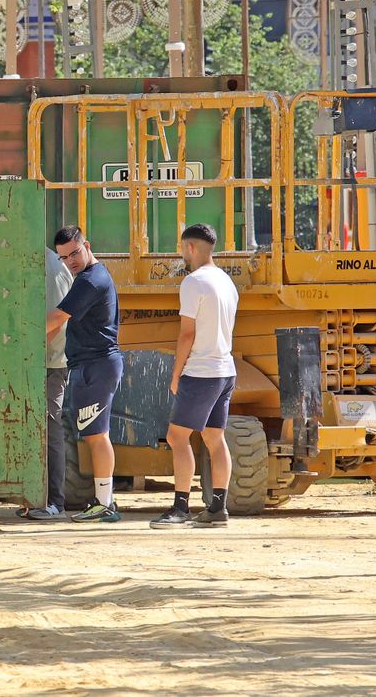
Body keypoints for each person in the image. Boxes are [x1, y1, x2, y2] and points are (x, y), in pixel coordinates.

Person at [152, 223, 239, 530]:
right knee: (215, 437)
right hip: (225, 369)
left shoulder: (193, 282)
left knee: (177, 436)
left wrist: (176, 374)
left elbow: (187, 333)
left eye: (182, 248)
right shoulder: (227, 282)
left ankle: (180, 506)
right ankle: (218, 506)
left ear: (190, 247)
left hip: (201, 371)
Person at [46, 225, 123, 523]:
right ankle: (103, 501)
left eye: (75, 253)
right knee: (93, 434)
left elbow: (57, 317)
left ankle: (105, 504)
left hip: (97, 364)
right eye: (64, 258)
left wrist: (22, 341)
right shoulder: (86, 277)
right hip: (89, 365)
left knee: (97, 436)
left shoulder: (91, 280)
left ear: (86, 245)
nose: (71, 261)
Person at [21, 246, 75, 520]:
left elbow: (57, 318)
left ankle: (55, 501)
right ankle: (36, 497)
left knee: (51, 426)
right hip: (38, 361)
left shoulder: (52, 269)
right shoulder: (38, 260)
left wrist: (28, 348)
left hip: (50, 363)